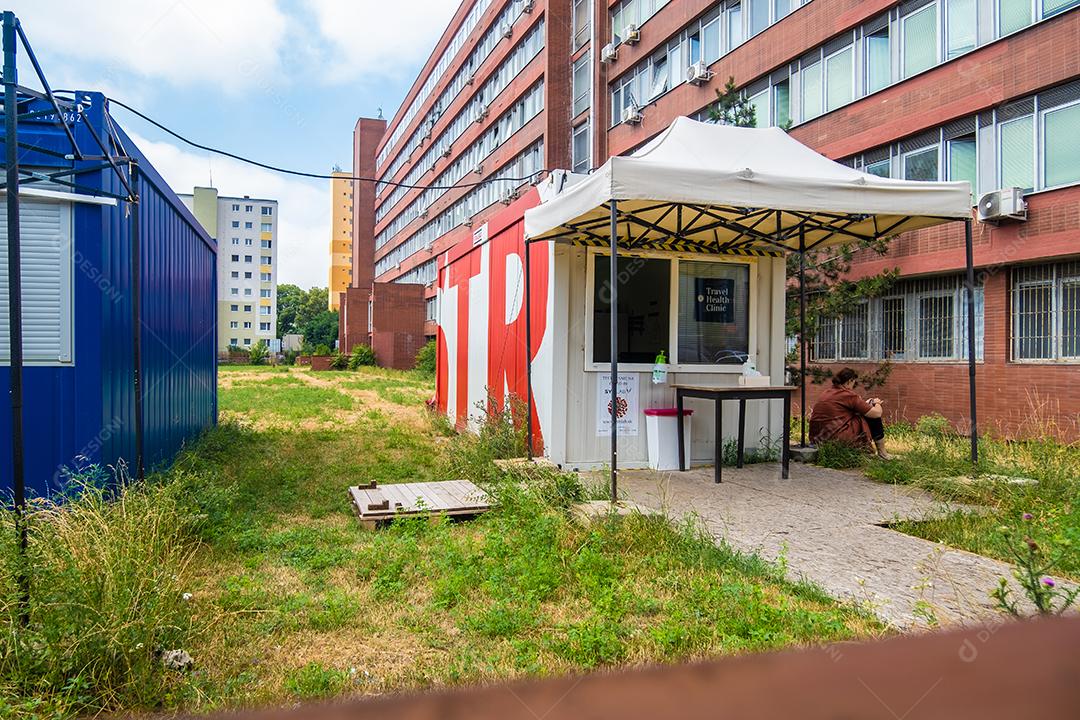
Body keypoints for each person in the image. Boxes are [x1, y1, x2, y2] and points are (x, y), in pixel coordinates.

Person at [808, 367, 891, 459]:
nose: (852, 387)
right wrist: (876, 403)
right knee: (871, 417)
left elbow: (845, 409)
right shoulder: (848, 395)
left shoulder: (826, 392)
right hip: (837, 438)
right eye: (853, 383)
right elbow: (876, 413)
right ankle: (882, 453)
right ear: (849, 381)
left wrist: (867, 404)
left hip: (818, 439)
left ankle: (879, 452)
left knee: (861, 413)